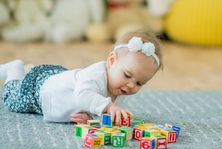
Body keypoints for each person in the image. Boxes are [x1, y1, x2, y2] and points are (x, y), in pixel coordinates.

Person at [0, 30, 162, 125]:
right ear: (111, 61)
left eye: (140, 83)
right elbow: (83, 96)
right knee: (13, 100)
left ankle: (27, 71)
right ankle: (14, 69)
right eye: (127, 75)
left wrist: (92, 118)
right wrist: (108, 107)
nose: (131, 85)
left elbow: (97, 109)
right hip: (41, 92)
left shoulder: (120, 87)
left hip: (63, 81)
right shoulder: (96, 75)